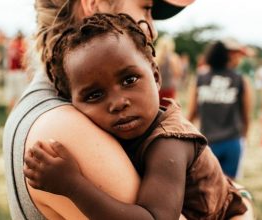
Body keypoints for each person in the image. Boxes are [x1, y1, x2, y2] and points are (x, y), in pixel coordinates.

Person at [23, 13, 249, 219]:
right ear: (70, 101)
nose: (119, 102)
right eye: (94, 95)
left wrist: (72, 184)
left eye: (129, 80)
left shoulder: (170, 142)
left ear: (156, 76)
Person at [2, 1, 198, 219]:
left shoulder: (37, 100)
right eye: (146, 8)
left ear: (156, 76)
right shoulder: (63, 127)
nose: (152, 29)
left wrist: (241, 201)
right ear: (92, 4)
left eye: (129, 80)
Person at [187, 40, 251, 179]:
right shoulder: (239, 79)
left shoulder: (200, 78)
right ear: (227, 58)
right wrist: (245, 136)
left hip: (207, 142)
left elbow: (192, 113)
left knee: (206, 189)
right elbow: (246, 114)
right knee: (228, 188)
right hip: (232, 141)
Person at [155, 34, 182, 106]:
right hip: (169, 88)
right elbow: (178, 73)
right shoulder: (173, 57)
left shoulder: (156, 56)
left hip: (157, 88)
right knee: (168, 110)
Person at [5, 31, 28, 113]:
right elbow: (24, 61)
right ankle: (18, 114)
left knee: (11, 95)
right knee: (20, 96)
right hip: (20, 73)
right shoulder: (22, 46)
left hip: (11, 72)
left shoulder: (11, 45)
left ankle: (9, 117)